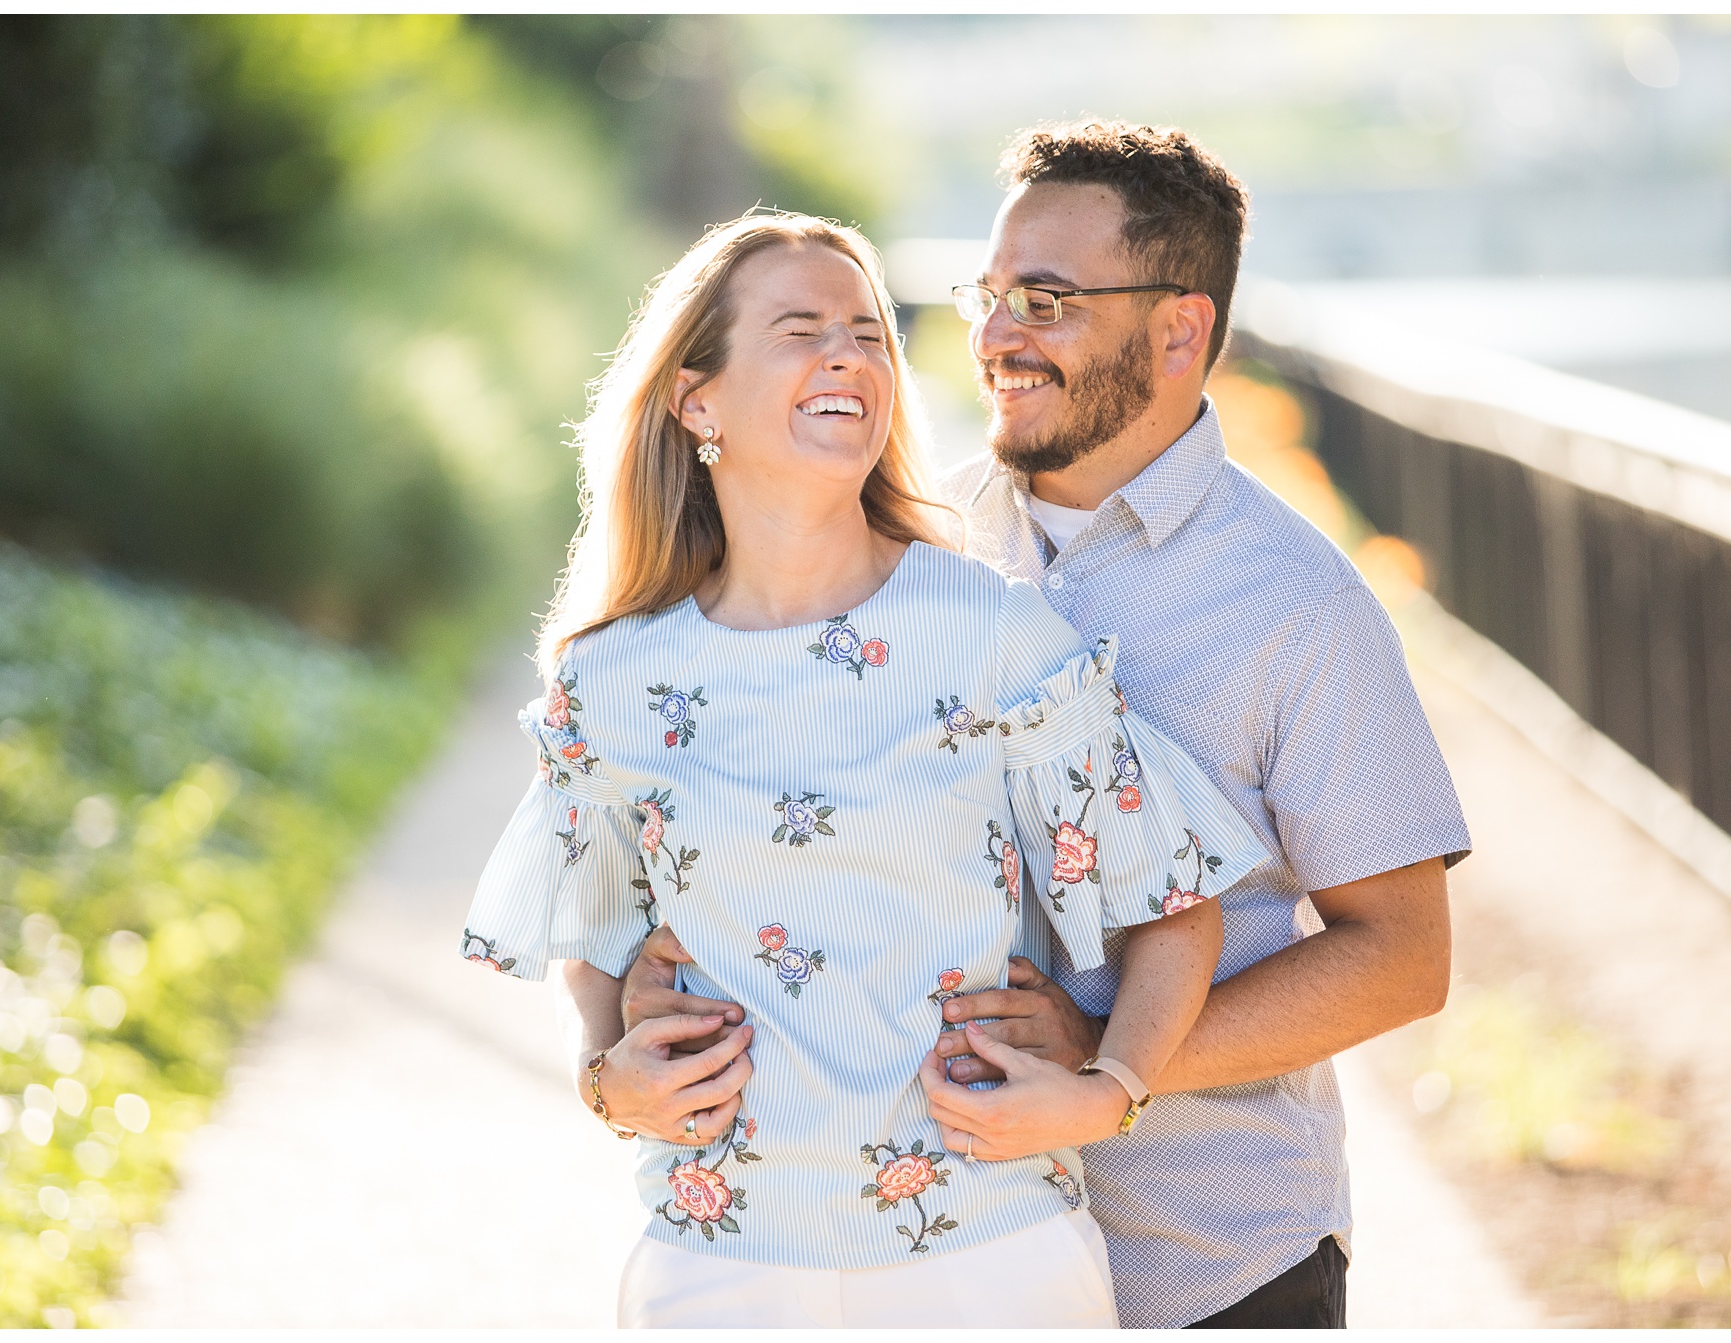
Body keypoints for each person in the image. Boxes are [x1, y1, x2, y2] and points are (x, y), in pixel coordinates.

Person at [616, 122, 1474, 1329]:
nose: (994, 336)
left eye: (1048, 300)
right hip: (938, 1268)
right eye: (990, 293)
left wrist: (1104, 1056)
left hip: (1208, 1262)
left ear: (1178, 331)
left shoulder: (1300, 605)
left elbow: (1400, 954)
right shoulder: (914, 546)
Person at [457, 210, 1274, 1328]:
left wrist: (1106, 1092)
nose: (846, 354)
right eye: (800, 329)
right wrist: (606, 1076)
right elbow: (589, 945)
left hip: (990, 1252)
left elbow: (1172, 904)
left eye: (867, 332)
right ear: (697, 398)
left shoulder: (995, 635)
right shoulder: (612, 682)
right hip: (720, 1259)